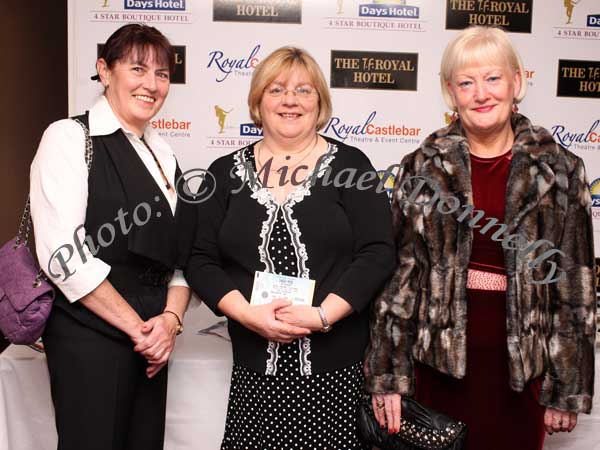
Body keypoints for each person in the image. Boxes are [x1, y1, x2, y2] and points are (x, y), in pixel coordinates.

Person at [364, 26, 596, 450]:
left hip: (524, 374)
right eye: (466, 83)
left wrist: (567, 387)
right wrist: (388, 376)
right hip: (436, 368)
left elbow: (575, 287)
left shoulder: (560, 170)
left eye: (492, 78)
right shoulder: (421, 168)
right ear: (450, 92)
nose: (481, 93)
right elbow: (398, 280)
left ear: (516, 82)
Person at [185, 46, 395, 450]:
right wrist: (246, 314)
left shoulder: (352, 166)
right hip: (255, 372)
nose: (290, 101)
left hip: (336, 372)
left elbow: (377, 251)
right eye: (277, 89)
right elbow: (200, 260)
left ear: (320, 102)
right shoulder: (223, 173)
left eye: (304, 90)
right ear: (257, 102)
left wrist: (321, 315)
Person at [30, 24, 194, 450]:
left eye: (162, 74)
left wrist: (170, 324)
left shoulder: (164, 151)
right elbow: (64, 258)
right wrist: (140, 331)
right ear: (104, 71)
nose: (152, 84)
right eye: (138, 68)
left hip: (153, 342)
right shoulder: (69, 138)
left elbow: (182, 255)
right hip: (91, 337)